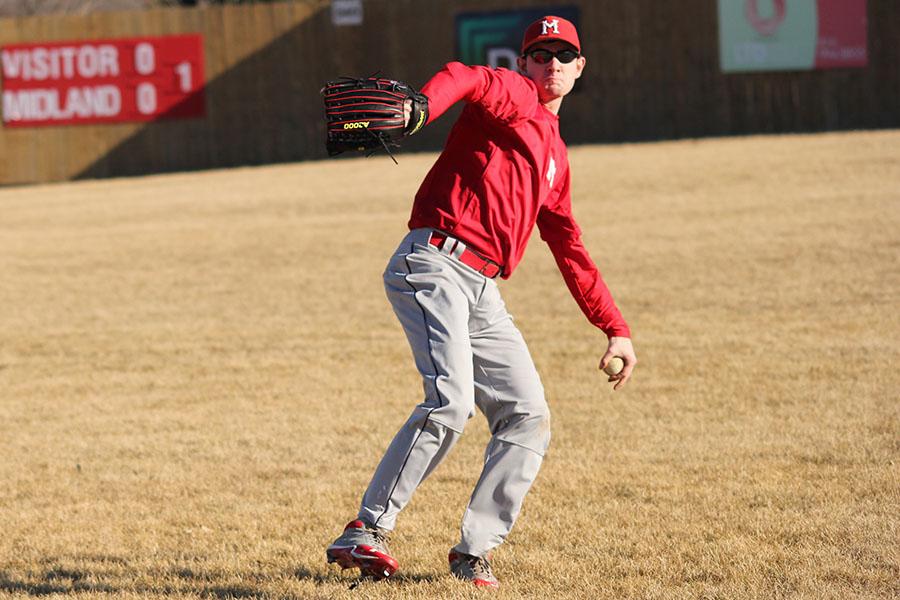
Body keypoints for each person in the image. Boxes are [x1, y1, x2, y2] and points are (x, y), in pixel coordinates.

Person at [326, 15, 636, 588]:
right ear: (524, 63)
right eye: (539, 54)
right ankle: (366, 530)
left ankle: (474, 551)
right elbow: (466, 77)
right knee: (451, 402)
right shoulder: (515, 95)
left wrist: (614, 327)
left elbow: (568, 244)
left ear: (580, 65)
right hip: (434, 262)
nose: (551, 64)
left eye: (562, 55)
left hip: (482, 288)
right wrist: (422, 105)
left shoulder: (555, 156)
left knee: (527, 414)